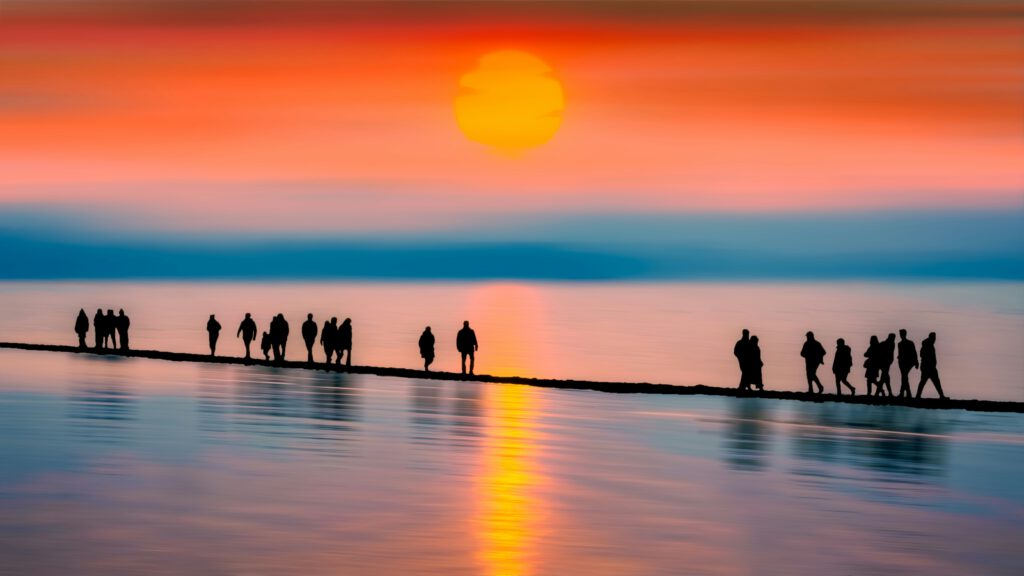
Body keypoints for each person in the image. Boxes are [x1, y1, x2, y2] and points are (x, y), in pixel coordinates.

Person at [916, 332, 947, 400]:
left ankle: (941, 396)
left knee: (929, 382)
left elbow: (922, 354)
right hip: (928, 367)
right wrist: (930, 363)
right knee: (932, 382)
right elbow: (922, 355)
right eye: (934, 338)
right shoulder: (927, 345)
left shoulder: (928, 344)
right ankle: (941, 396)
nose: (935, 339)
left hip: (929, 367)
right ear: (931, 337)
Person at [897, 329, 919, 399]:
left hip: (908, 363)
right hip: (902, 363)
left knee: (904, 377)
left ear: (904, 334)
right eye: (900, 334)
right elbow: (900, 353)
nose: (901, 335)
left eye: (901, 334)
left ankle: (904, 393)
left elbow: (914, 353)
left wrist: (916, 362)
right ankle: (907, 393)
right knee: (904, 377)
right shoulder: (900, 344)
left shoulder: (909, 343)